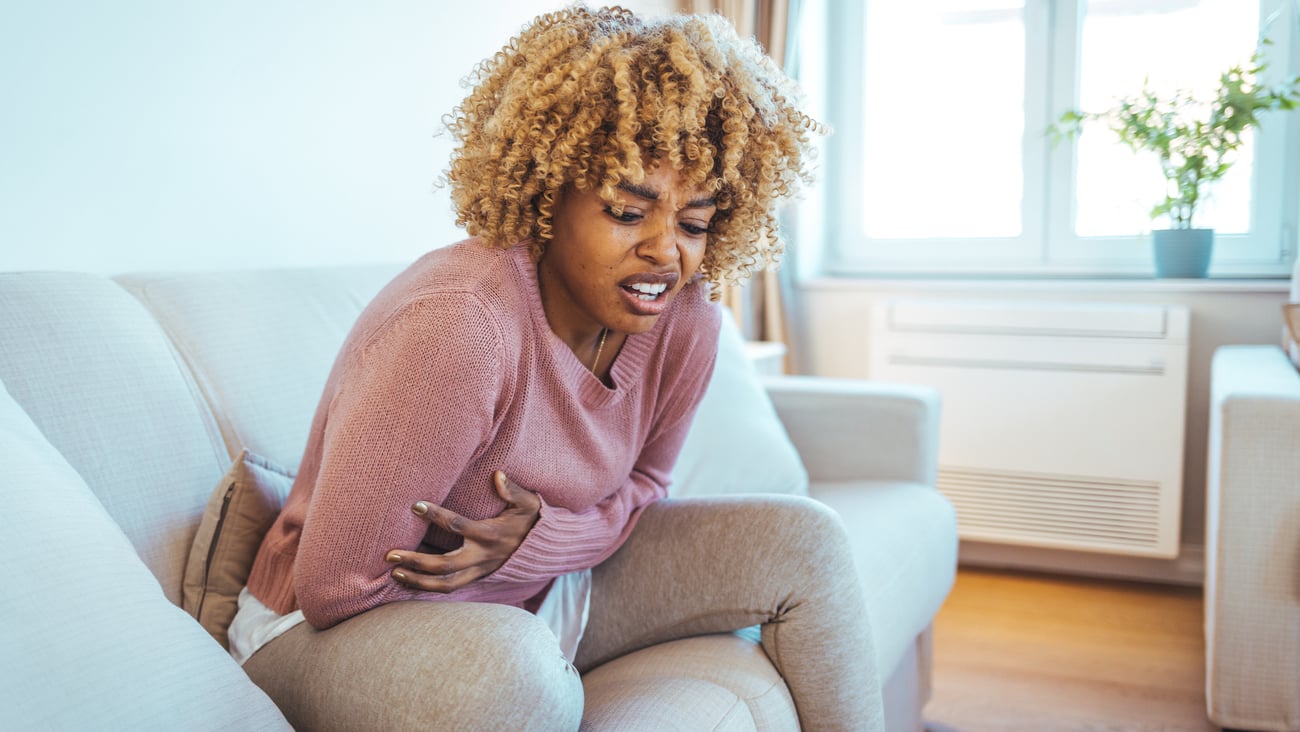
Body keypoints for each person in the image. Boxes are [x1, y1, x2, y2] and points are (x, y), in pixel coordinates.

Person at [234, 5, 881, 730]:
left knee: (807, 542)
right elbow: (336, 590)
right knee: (520, 675)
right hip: (327, 636)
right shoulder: (460, 326)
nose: (668, 253)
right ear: (548, 192)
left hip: (543, 590)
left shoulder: (686, 321)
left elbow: (647, 487)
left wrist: (537, 542)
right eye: (627, 212)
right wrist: (515, 582)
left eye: (694, 223)